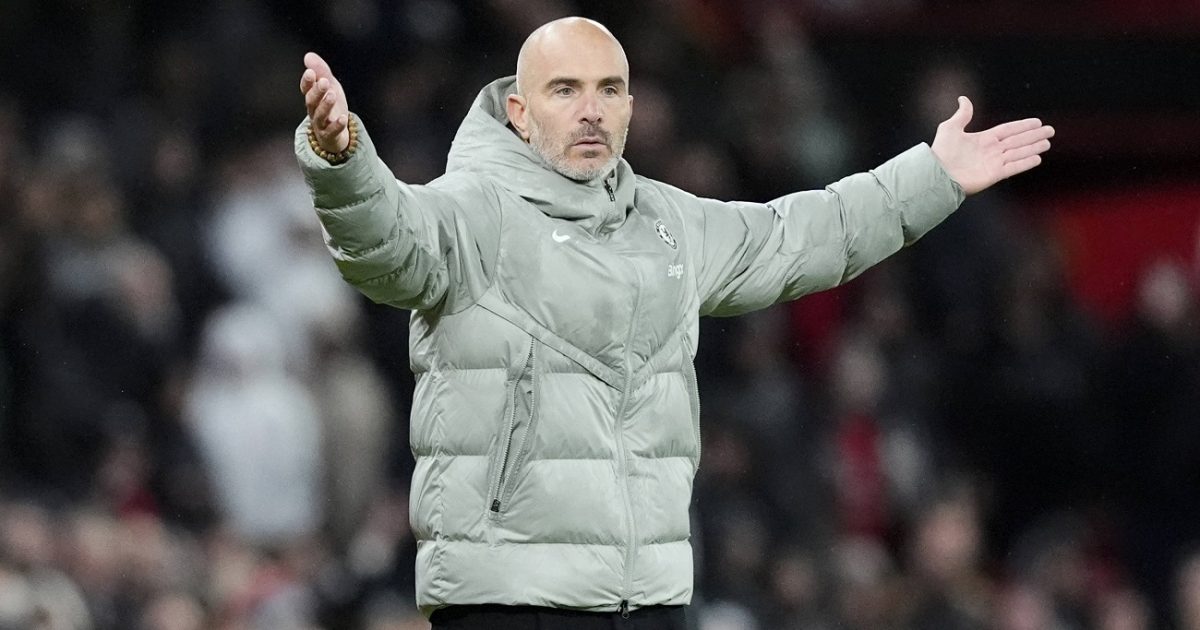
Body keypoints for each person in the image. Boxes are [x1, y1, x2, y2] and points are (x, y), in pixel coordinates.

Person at [294, 16, 1053, 629]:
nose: (591, 109)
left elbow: (806, 234)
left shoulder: (667, 222)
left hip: (650, 596)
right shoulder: (470, 212)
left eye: (609, 89)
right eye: (565, 89)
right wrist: (343, 160)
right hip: (511, 595)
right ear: (518, 113)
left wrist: (932, 176)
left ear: (630, 107)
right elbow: (386, 241)